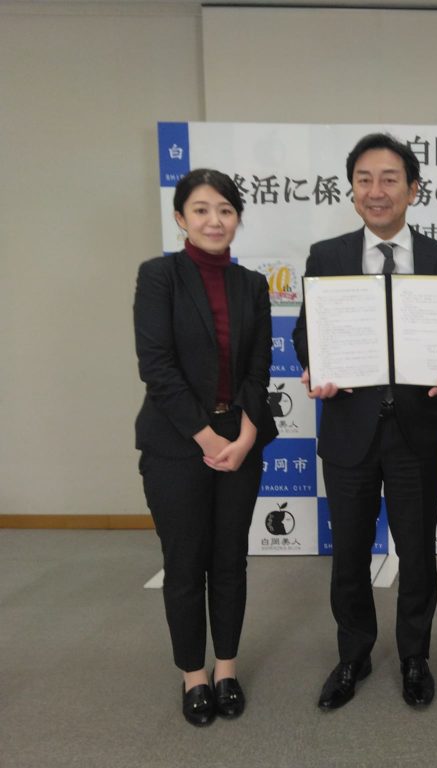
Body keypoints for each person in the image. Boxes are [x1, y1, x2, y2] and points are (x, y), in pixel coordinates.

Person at [292, 133, 437, 711]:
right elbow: (306, 334)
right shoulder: (326, 257)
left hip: (415, 431)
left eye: (390, 179)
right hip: (349, 429)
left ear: (413, 189)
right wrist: (316, 367)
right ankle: (353, 655)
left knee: (417, 553)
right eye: (364, 179)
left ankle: (415, 655)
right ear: (351, 190)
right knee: (349, 553)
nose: (377, 190)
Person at [134, 169, 277, 727]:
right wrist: (207, 436)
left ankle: (226, 669)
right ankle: (193, 675)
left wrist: (245, 435)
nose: (214, 220)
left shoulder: (252, 285)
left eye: (225, 209)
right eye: (201, 210)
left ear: (237, 218)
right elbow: (157, 368)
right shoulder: (159, 277)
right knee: (185, 563)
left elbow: (259, 369)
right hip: (176, 445)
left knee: (230, 559)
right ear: (180, 219)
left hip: (240, 442)